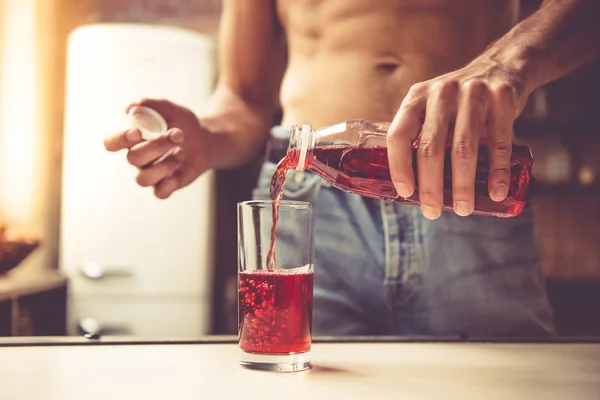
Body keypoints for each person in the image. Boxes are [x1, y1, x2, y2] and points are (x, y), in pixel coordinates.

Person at [104, 0, 600, 336]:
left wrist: (509, 62)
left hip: (463, 189)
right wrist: (205, 140)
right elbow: (244, 99)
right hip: (307, 199)